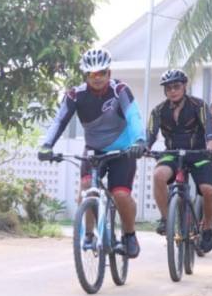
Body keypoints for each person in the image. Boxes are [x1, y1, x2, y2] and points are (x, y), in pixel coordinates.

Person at [37, 47, 146, 258]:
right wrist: (47, 145)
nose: (97, 78)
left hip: (123, 151)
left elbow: (134, 117)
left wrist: (139, 141)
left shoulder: (120, 90)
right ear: (85, 75)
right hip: (94, 150)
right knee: (87, 187)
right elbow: (59, 121)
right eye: (92, 74)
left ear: (109, 73)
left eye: (102, 73)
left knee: (120, 194)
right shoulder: (75, 95)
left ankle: (130, 235)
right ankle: (89, 235)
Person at [146, 69, 212, 253]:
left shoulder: (199, 105)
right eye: (169, 88)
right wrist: (144, 147)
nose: (173, 91)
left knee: (208, 191)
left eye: (177, 86)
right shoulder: (158, 111)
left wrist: (211, 141)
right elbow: (150, 133)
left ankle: (208, 228)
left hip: (198, 154)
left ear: (184, 86)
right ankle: (166, 219)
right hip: (172, 153)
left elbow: (208, 127)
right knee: (158, 175)